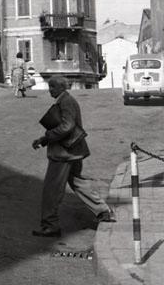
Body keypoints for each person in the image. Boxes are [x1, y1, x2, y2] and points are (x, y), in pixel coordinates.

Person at [31, 75, 115, 237]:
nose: (50, 90)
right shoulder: (65, 100)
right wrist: (44, 140)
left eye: (53, 87)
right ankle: (103, 211)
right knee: (78, 183)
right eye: (49, 87)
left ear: (62, 88)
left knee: (52, 190)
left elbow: (67, 126)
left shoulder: (66, 102)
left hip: (64, 154)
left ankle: (50, 225)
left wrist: (48, 136)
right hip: (73, 152)